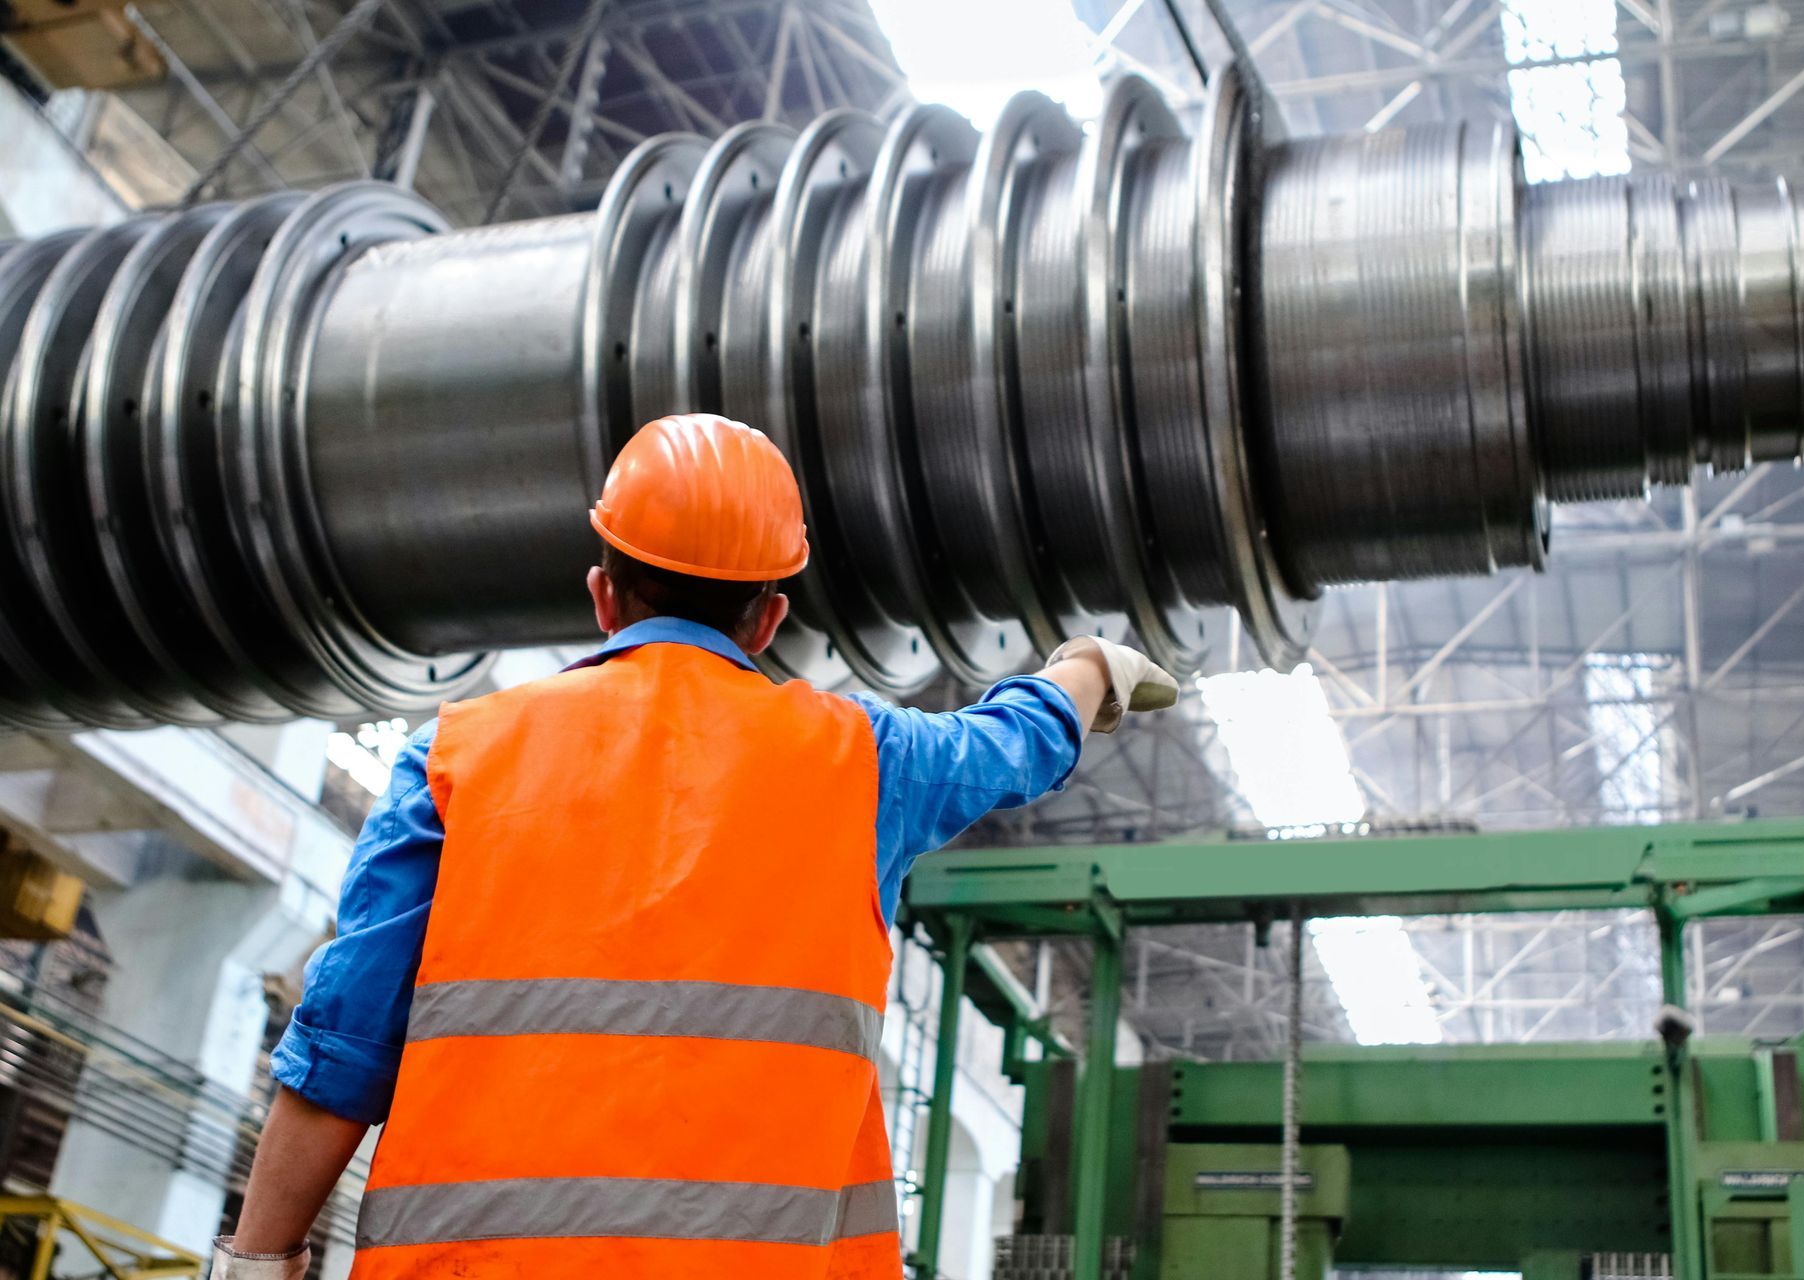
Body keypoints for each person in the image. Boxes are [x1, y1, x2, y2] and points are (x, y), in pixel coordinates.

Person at [212, 414, 1177, 1279]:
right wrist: (1088, 667)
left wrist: (258, 1266)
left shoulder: (458, 756)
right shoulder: (865, 762)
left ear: (603, 594)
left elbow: (339, 1051)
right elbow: (1016, 743)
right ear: (769, 618)